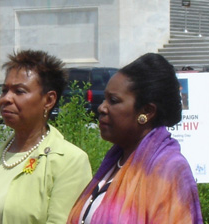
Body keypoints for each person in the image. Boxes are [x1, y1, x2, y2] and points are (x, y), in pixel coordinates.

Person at [0, 50, 92, 224]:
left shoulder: (69, 161)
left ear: (49, 100)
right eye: (5, 90)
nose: (6, 99)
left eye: (19, 91)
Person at [67, 53, 203, 223]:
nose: (102, 108)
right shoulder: (113, 164)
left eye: (114, 101)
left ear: (147, 111)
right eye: (104, 99)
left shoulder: (168, 170)